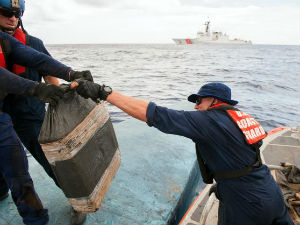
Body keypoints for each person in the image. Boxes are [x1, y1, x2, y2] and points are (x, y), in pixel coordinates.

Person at [75, 81, 294, 225]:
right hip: (270, 192)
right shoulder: (242, 118)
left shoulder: (209, 121)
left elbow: (153, 114)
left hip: (245, 203)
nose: (196, 106)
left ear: (214, 102)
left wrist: (106, 93)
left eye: (199, 101)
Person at [0, 7, 92, 224]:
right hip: (4, 111)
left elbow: (40, 61)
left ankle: (77, 200)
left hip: (28, 112)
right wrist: (37, 89)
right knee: (9, 162)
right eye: (5, 12)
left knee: (48, 160)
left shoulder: (14, 41)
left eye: (16, 13)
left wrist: (72, 74)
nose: (12, 18)